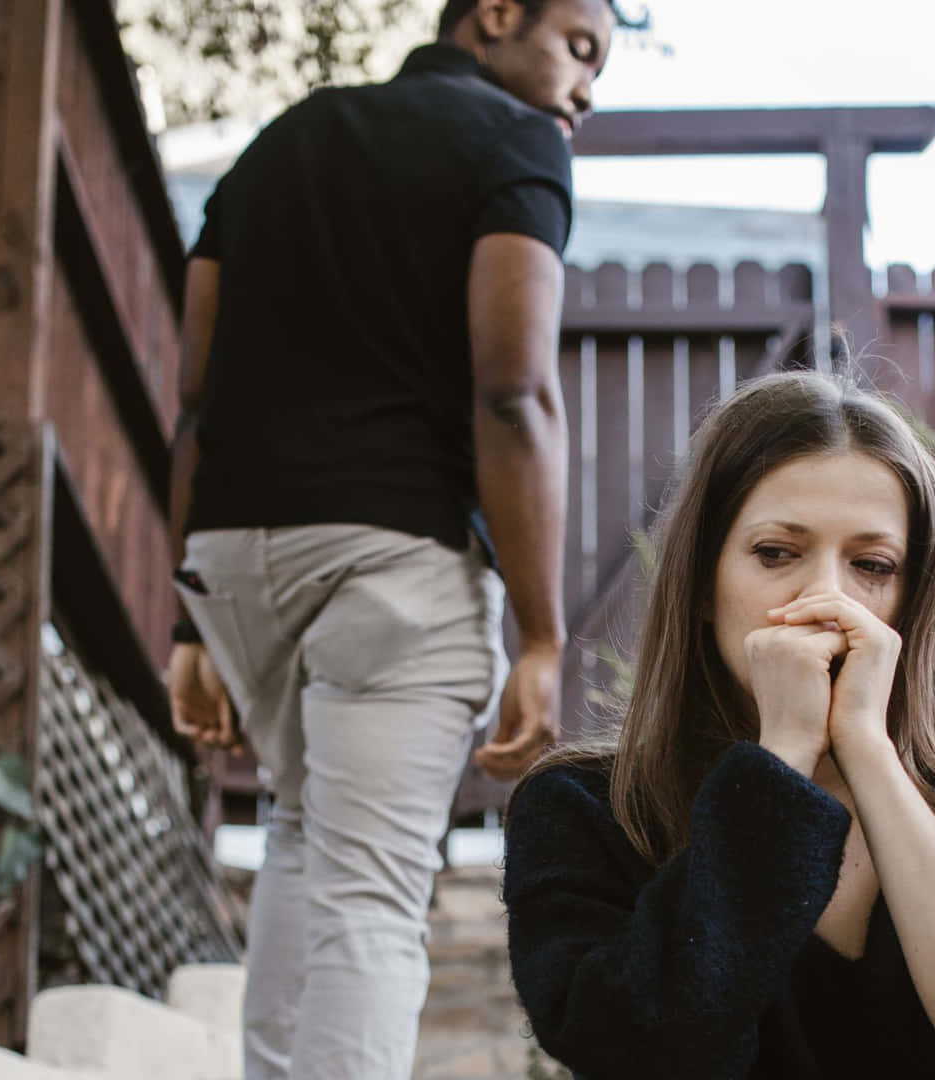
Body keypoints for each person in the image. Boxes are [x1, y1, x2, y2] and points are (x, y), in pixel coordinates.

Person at [161, 2, 635, 1076]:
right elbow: (515, 394)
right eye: (579, 48)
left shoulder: (278, 142)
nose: (587, 91)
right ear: (497, 16)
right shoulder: (518, 146)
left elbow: (194, 400)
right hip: (396, 563)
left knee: (300, 829)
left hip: (236, 558)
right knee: (371, 886)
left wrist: (181, 610)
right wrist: (543, 635)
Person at [503, 372, 935, 1079]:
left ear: (914, 598)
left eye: (872, 565)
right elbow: (644, 1049)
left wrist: (868, 751)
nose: (826, 598)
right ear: (704, 586)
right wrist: (781, 765)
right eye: (776, 553)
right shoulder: (586, 808)